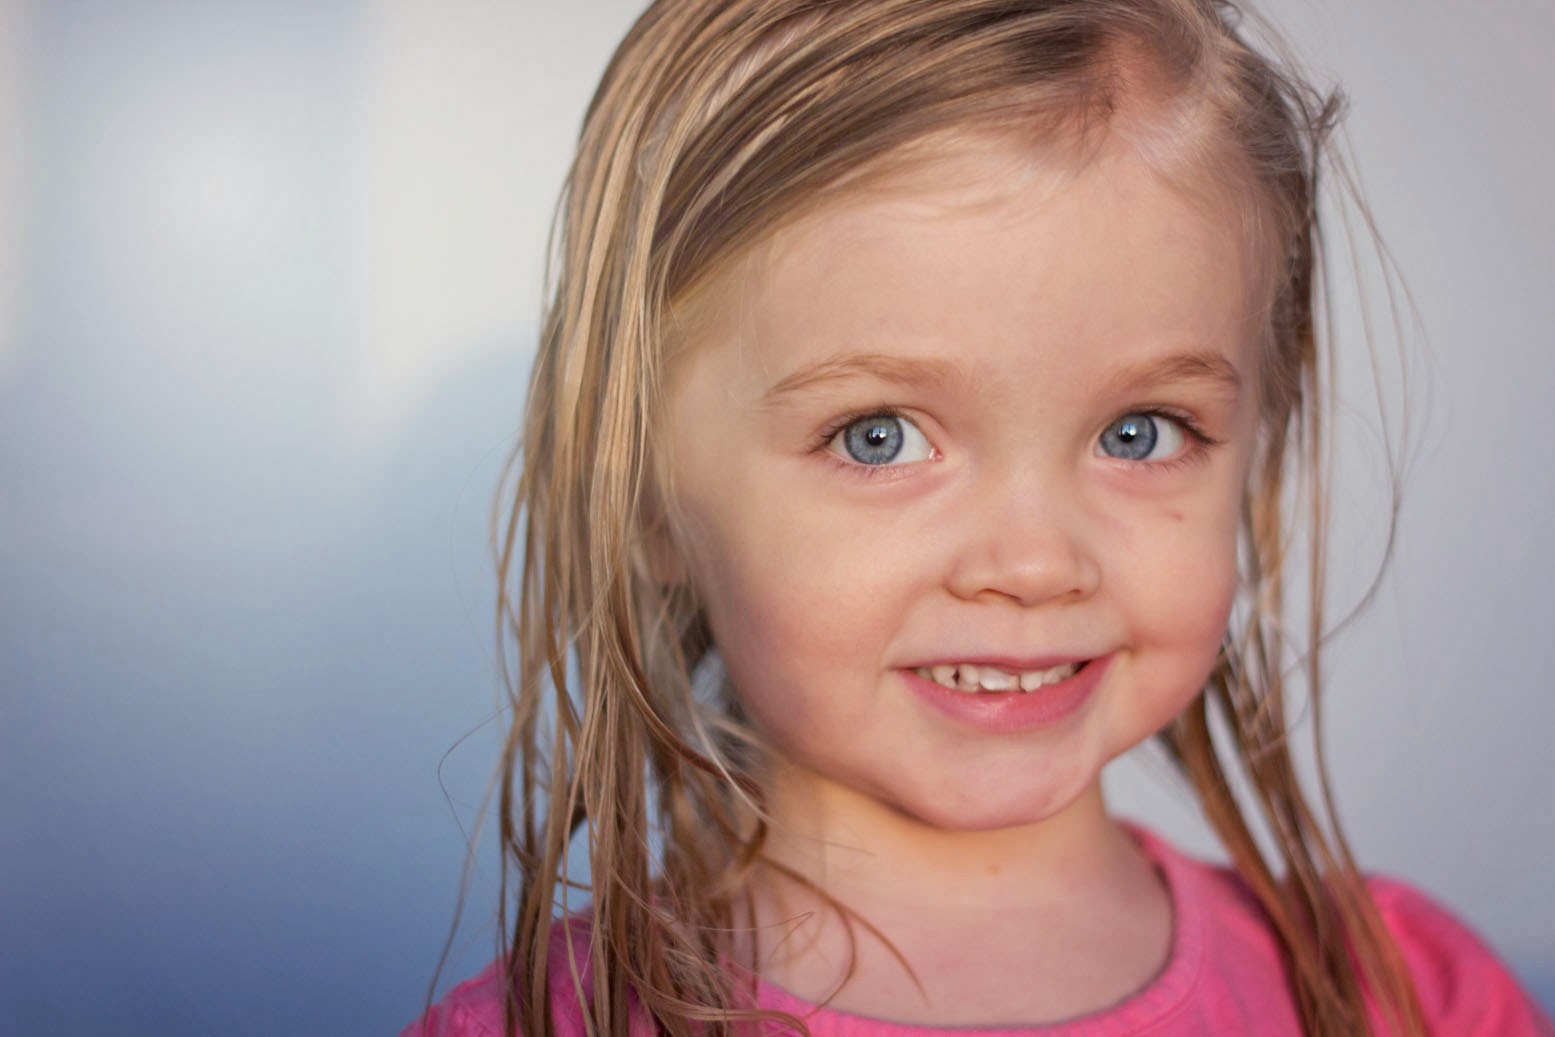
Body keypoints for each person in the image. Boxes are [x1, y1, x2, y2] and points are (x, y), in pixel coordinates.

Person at [406, 0, 1554, 1033]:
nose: (1035, 562)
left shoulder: (1407, 997)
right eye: (878, 435)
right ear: (647, 495)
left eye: (1139, 432)